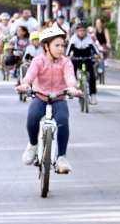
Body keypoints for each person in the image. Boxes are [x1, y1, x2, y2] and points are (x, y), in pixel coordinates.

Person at [17, 27, 81, 174]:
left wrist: (72, 87)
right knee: (32, 117)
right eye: (56, 45)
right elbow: (30, 75)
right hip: (40, 96)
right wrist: (25, 84)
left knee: (63, 120)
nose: (60, 49)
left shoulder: (66, 62)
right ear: (46, 46)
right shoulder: (38, 61)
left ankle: (61, 158)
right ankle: (33, 146)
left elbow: (70, 77)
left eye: (62, 45)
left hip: (59, 98)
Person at [68, 23, 102, 104]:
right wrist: (67, 57)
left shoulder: (89, 39)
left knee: (92, 76)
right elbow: (68, 51)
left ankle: (93, 95)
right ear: (77, 31)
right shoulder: (73, 39)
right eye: (80, 31)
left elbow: (95, 49)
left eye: (84, 31)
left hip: (87, 58)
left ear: (86, 31)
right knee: (71, 73)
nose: (82, 32)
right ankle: (72, 90)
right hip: (76, 59)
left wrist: (97, 55)